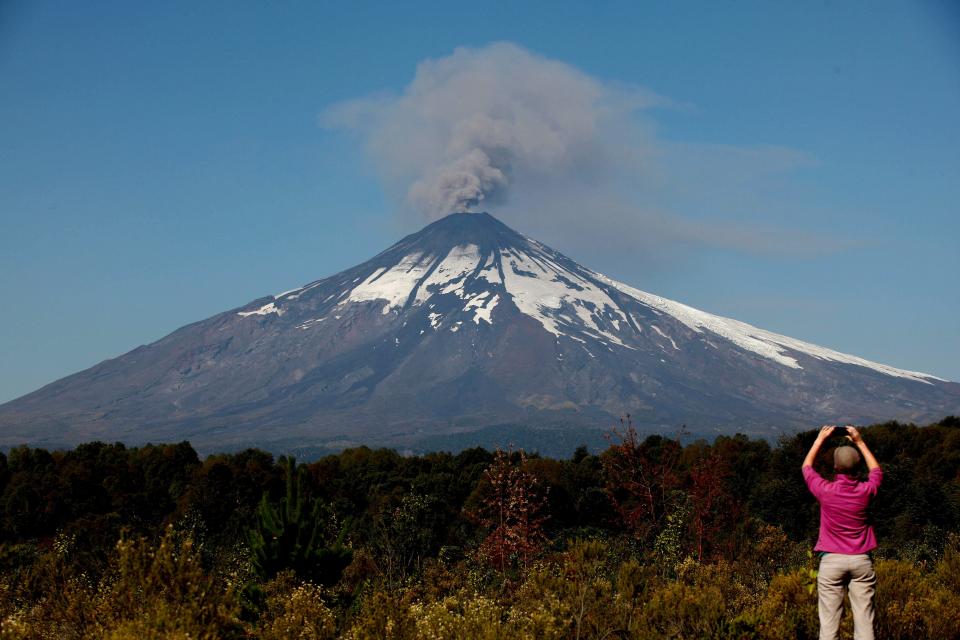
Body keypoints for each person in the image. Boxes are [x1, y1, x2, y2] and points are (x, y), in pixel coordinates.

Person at [802, 424, 882, 640]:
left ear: (835, 467)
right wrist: (860, 441)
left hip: (831, 563)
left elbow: (807, 468)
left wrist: (820, 440)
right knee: (865, 624)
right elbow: (876, 471)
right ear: (857, 468)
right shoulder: (866, 491)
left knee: (829, 628)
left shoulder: (825, 491)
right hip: (861, 561)